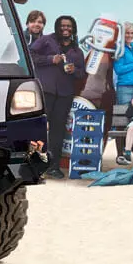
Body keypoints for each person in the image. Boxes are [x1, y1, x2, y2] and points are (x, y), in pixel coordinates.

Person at [30, 15, 86, 178]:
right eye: (62, 26)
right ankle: (33, 164)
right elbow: (30, 55)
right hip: (45, 90)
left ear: (73, 29)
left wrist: (73, 71)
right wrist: (50, 59)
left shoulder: (77, 51)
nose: (65, 28)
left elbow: (82, 73)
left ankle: (53, 166)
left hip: (64, 94)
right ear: (57, 27)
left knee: (58, 130)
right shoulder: (46, 40)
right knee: (38, 127)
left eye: (69, 26)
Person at [112, 22, 133, 105]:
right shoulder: (119, 48)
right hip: (125, 88)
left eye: (132, 33)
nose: (130, 35)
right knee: (124, 115)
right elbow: (118, 69)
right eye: (127, 33)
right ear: (122, 34)